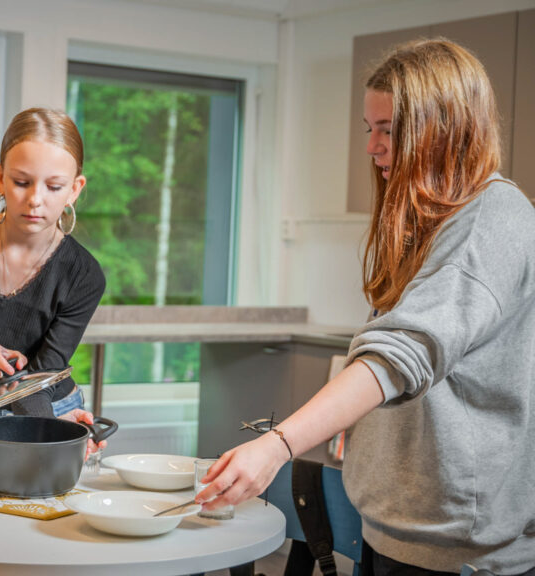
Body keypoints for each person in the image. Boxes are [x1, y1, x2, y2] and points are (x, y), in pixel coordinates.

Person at [195, 39, 535, 575]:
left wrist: (276, 447)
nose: (373, 147)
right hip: (392, 531)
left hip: (460, 554)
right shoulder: (433, 221)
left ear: (446, 128)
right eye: (368, 128)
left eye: (390, 130)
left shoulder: (495, 217)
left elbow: (404, 350)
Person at [0, 108, 106, 429]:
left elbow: (38, 380)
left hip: (50, 405)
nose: (35, 199)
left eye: (54, 187)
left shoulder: (84, 275)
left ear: (75, 189)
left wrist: (56, 431)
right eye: (22, 182)